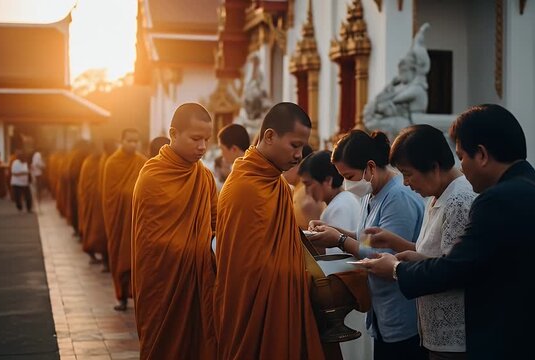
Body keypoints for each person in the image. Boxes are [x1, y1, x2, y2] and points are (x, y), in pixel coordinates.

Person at [358, 104, 535, 360]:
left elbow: (456, 269)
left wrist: (396, 269)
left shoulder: (496, 199)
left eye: (462, 156)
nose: (461, 167)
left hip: (530, 340)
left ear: (482, 155)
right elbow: (479, 260)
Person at [214, 102, 325, 360]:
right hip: (254, 311)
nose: (300, 155)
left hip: (281, 301)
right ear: (269, 136)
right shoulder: (244, 186)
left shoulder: (277, 183)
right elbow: (244, 270)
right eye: (294, 145)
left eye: (302, 147)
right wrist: (293, 273)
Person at [309, 130, 426, 360]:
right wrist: (334, 232)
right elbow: (368, 238)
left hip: (402, 311)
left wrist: (340, 241)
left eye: (349, 176)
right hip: (381, 311)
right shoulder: (371, 194)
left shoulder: (398, 197)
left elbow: (386, 257)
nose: (346, 184)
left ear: (370, 167)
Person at [369, 124, 476, 359]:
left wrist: (398, 269)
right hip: (432, 332)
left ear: (434, 167)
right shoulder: (435, 195)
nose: (406, 183)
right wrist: (404, 250)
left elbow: (453, 271)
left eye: (408, 173)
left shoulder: (459, 200)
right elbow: (435, 255)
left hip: (454, 336)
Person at [132, 103, 217, 359]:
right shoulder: (152, 176)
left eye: (207, 140)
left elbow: (215, 224)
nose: (202, 146)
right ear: (173, 134)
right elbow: (152, 242)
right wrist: (195, 249)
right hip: (164, 282)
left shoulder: (204, 177)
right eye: (195, 138)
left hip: (199, 278)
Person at [298, 150, 371, 360]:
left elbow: (338, 260)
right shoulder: (341, 202)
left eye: (309, 183)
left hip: (346, 290)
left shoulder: (340, 205)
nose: (307, 191)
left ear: (328, 180)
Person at [102, 128, 147, 311]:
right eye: (129, 140)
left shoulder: (142, 162)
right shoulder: (112, 163)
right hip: (120, 220)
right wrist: (127, 193)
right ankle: (121, 297)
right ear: (122, 141)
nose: (133, 144)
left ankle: (138, 296)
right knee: (120, 256)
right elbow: (108, 196)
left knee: (138, 260)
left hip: (137, 221)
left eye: (136, 141)